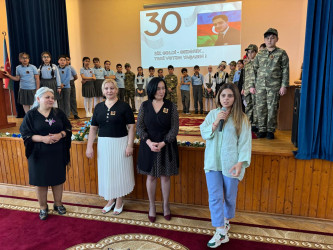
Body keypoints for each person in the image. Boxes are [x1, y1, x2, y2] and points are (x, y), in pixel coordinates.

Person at [200, 83, 251, 248]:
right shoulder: (213, 114)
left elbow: (245, 142)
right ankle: (220, 231)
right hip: (213, 163)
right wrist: (215, 123)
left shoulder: (241, 118)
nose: (226, 99)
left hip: (231, 164)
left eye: (229, 95)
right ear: (219, 97)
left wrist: (240, 162)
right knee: (215, 197)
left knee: (229, 197)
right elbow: (204, 133)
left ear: (235, 98)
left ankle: (226, 221)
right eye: (223, 96)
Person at [20, 87, 72, 220]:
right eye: (47, 97)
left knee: (58, 180)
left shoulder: (58, 113)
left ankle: (58, 204)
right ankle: (43, 207)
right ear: (38, 99)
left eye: (52, 97)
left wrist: (60, 135)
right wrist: (43, 138)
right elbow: (26, 134)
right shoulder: (31, 115)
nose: (51, 100)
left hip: (57, 152)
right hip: (38, 154)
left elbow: (68, 128)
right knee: (41, 181)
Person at [86, 79, 135, 215]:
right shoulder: (99, 107)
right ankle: (111, 199)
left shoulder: (124, 106)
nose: (109, 91)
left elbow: (131, 127)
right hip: (104, 144)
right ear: (103, 91)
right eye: (106, 88)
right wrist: (89, 146)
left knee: (120, 172)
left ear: (117, 90)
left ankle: (119, 200)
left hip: (121, 143)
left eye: (112, 88)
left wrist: (130, 145)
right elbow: (93, 128)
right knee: (107, 172)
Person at [136, 77, 179, 222]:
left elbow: (174, 128)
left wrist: (163, 142)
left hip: (166, 146)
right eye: (159, 88)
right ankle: (152, 206)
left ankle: (166, 206)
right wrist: (148, 142)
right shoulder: (145, 105)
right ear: (152, 89)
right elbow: (139, 127)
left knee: (166, 176)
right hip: (149, 146)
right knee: (151, 176)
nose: (162, 91)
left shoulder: (171, 106)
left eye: (163, 88)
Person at [250, 28, 289, 139]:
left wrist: (284, 85)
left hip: (274, 86)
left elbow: (285, 69)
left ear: (277, 39)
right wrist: (252, 85)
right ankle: (262, 129)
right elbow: (254, 70)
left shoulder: (281, 53)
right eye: (267, 38)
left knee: (272, 108)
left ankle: (270, 130)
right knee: (260, 108)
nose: (269, 40)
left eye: (272, 38)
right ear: (264, 40)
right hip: (260, 86)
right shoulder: (260, 54)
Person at [243, 44, 258, 132]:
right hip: (247, 88)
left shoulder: (258, 64)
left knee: (255, 106)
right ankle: (248, 122)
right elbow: (245, 77)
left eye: (252, 52)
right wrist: (243, 88)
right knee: (248, 106)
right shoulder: (247, 65)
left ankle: (255, 124)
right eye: (248, 52)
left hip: (255, 88)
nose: (250, 54)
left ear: (256, 52)